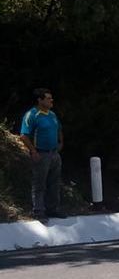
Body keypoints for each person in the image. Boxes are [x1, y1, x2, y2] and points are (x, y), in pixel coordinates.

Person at [20, 88, 65, 223]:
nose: (51, 100)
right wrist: (33, 151)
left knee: (54, 182)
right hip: (41, 154)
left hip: (54, 154)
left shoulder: (52, 114)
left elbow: (59, 129)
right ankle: (39, 211)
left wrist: (61, 142)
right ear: (39, 100)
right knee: (39, 184)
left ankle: (53, 209)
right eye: (48, 98)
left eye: (51, 98)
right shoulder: (32, 115)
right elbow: (23, 135)